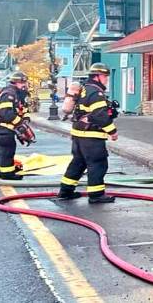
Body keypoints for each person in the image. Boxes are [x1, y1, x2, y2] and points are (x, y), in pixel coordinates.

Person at [57, 63, 119, 203]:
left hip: (79, 135)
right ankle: (96, 195)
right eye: (105, 77)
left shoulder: (85, 89)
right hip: (91, 136)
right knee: (98, 164)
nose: (106, 80)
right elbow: (100, 115)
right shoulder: (95, 92)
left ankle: (65, 191)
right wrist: (112, 131)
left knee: (78, 163)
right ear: (98, 76)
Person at [0, 72, 29, 180]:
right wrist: (20, 123)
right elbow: (5, 113)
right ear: (17, 82)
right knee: (8, 149)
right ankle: (7, 174)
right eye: (23, 83)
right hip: (4, 128)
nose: (25, 85)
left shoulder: (16, 94)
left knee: (2, 149)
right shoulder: (9, 94)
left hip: (6, 128)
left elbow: (21, 108)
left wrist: (26, 118)